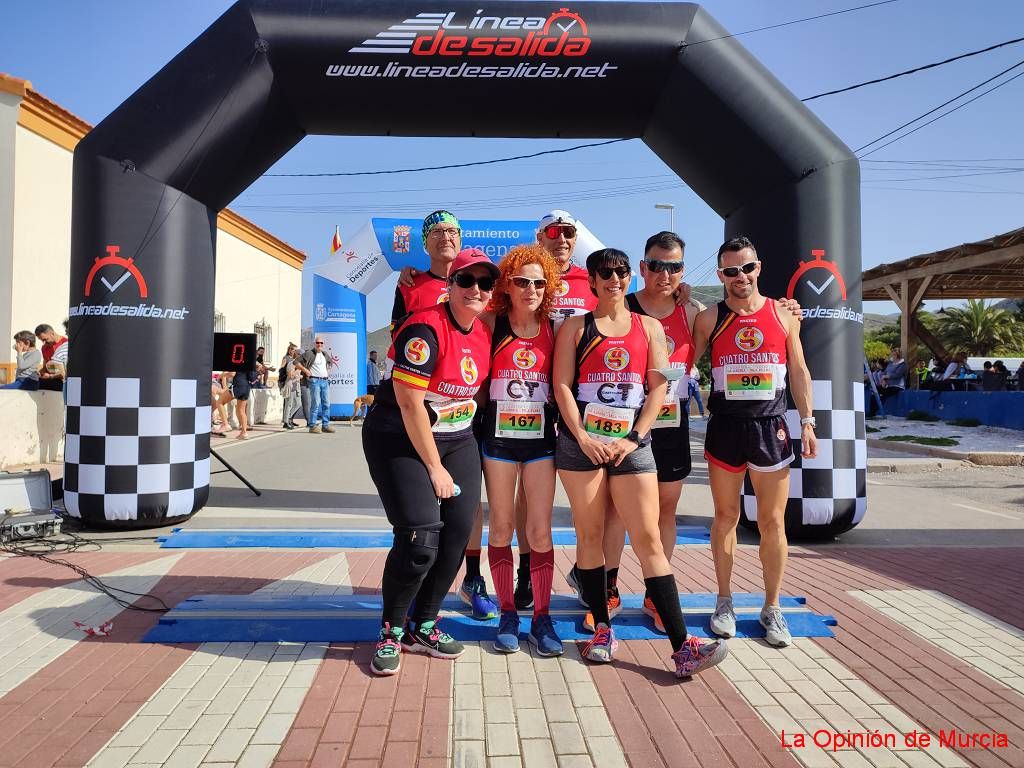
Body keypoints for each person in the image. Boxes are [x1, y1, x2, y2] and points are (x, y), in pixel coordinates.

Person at [553, 246, 727, 677]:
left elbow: (657, 389)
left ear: (631, 276)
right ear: (592, 280)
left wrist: (635, 437)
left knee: (648, 538)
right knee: (590, 536)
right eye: (605, 273)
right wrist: (582, 437)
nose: (615, 279)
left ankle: (682, 643)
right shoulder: (576, 328)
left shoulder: (648, 327)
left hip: (632, 446)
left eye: (622, 272)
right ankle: (601, 630)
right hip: (583, 448)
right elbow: (561, 386)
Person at [362, 248, 498, 676]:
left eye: (485, 283)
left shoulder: (481, 331)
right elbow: (408, 403)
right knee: (421, 539)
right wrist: (435, 468)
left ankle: (425, 623)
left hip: (456, 437)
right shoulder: (424, 328)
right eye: (466, 281)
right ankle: (391, 630)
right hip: (399, 436)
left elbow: (467, 393)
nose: (476, 289)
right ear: (449, 286)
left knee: (457, 535)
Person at [692, 236, 817, 648]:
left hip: (770, 428)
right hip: (726, 427)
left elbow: (798, 369)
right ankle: (724, 601)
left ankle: (771, 606)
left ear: (758, 268)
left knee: (771, 522)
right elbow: (685, 366)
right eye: (731, 271)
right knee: (725, 517)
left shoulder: (784, 315)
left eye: (747, 268)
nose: (740, 277)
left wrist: (809, 422)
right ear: (720, 275)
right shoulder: (710, 318)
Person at [395, 213, 499, 621]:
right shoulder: (411, 283)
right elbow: (403, 341)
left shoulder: (483, 284)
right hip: (418, 409)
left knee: (468, 511)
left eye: (453, 231)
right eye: (437, 232)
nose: (446, 237)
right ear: (425, 242)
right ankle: (404, 609)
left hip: (469, 416)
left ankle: (471, 580)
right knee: (421, 524)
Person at [479, 244, 563, 656]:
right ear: (507, 285)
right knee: (500, 527)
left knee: (540, 531)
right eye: (522, 281)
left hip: (540, 443)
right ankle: (508, 612)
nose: (531, 288)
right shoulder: (492, 323)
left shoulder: (556, 327)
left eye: (539, 282)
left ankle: (542, 618)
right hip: (497, 441)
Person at [298, 337, 335, 433]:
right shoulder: (309, 353)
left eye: (321, 343)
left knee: (326, 404)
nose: (319, 344)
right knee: (316, 403)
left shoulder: (324, 354)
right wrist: (305, 370)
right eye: (318, 343)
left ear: (323, 344)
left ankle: (325, 425)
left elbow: (331, 362)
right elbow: (296, 362)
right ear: (315, 343)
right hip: (314, 381)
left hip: (325, 381)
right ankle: (312, 426)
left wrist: (328, 371)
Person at [35, 323, 68, 392]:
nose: (43, 342)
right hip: (52, 378)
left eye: (45, 339)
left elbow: (65, 372)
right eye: (41, 340)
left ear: (52, 333)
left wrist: (51, 376)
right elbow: (46, 367)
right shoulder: (44, 348)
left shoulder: (65, 344)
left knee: (37, 384)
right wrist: (39, 373)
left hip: (64, 381)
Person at [281, 345, 302, 429]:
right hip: (290, 386)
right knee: (288, 404)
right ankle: (286, 422)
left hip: (296, 387)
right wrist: (297, 371)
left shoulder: (299, 364)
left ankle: (288, 418)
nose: (301, 356)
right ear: (296, 355)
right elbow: (290, 375)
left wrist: (300, 376)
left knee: (298, 404)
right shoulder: (291, 363)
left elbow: (297, 376)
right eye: (299, 354)